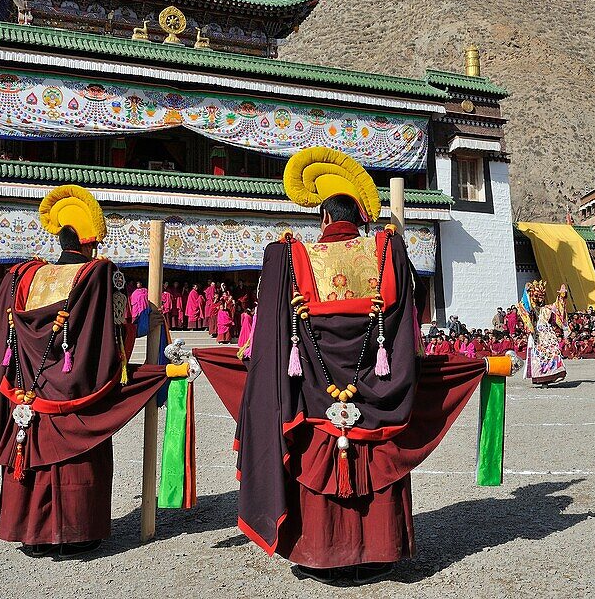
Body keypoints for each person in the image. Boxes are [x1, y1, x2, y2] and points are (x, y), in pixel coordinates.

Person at [191, 147, 506, 584]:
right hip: (379, 386)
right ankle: (379, 550)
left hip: (313, 394)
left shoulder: (290, 257)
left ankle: (319, 552)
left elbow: (270, 337)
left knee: (314, 451)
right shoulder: (385, 252)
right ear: (360, 219)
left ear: (323, 219)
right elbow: (405, 329)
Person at [0, 185, 171, 558]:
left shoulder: (22, 277)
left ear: (60, 237)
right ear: (91, 241)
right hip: (74, 397)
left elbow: (1, 343)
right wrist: (140, 322)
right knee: (77, 462)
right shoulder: (97, 275)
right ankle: (76, 534)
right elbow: (107, 341)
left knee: (29, 460)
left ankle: (31, 534)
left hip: (27, 396)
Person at [519, 281, 567, 385]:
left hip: (548, 334)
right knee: (539, 356)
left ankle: (555, 373)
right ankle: (542, 378)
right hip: (537, 335)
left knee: (554, 352)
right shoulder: (532, 309)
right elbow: (525, 306)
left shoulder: (547, 308)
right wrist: (526, 291)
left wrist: (562, 295)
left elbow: (558, 306)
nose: (540, 299)